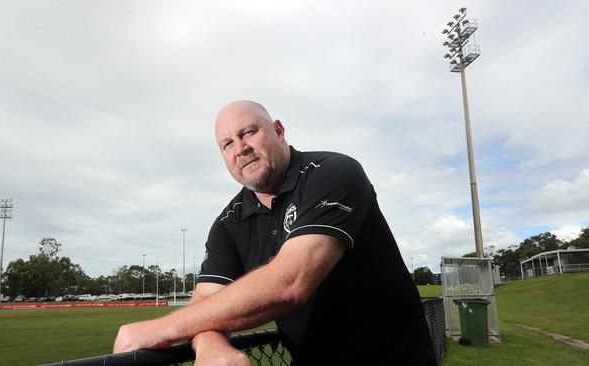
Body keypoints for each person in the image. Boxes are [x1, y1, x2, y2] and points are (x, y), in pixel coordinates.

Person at [114, 100, 437, 365]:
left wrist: (161, 329)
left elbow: (290, 283)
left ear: (279, 131)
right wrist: (211, 345)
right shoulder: (228, 224)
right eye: (227, 144)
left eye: (248, 133)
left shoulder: (333, 172)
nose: (240, 149)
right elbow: (205, 304)